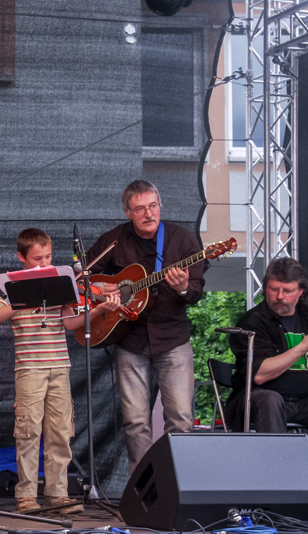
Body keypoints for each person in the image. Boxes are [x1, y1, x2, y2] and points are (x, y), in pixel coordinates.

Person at [0, 228, 120, 515]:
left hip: (60, 366)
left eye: (47, 257)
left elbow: (71, 323)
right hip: (30, 369)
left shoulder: (60, 283)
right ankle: (26, 496)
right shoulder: (11, 285)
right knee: (28, 431)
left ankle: (58, 494)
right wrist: (23, 296)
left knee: (60, 432)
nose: (43, 263)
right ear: (21, 257)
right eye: (36, 258)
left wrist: (96, 311)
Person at [87, 180, 205, 474]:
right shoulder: (114, 241)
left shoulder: (182, 240)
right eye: (140, 209)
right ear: (128, 212)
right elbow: (83, 275)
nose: (149, 213)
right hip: (130, 340)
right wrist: (104, 294)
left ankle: (180, 486)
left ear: (160, 205)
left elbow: (196, 292)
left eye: (153, 206)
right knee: (135, 421)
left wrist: (181, 288)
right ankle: (141, 493)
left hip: (173, 339)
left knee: (180, 418)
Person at [224, 258, 308, 482]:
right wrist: (303, 346)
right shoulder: (253, 322)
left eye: (287, 291)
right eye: (273, 289)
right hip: (260, 398)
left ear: (300, 292)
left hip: (307, 400)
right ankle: (278, 482)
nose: (279, 296)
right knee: (270, 399)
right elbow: (259, 374)